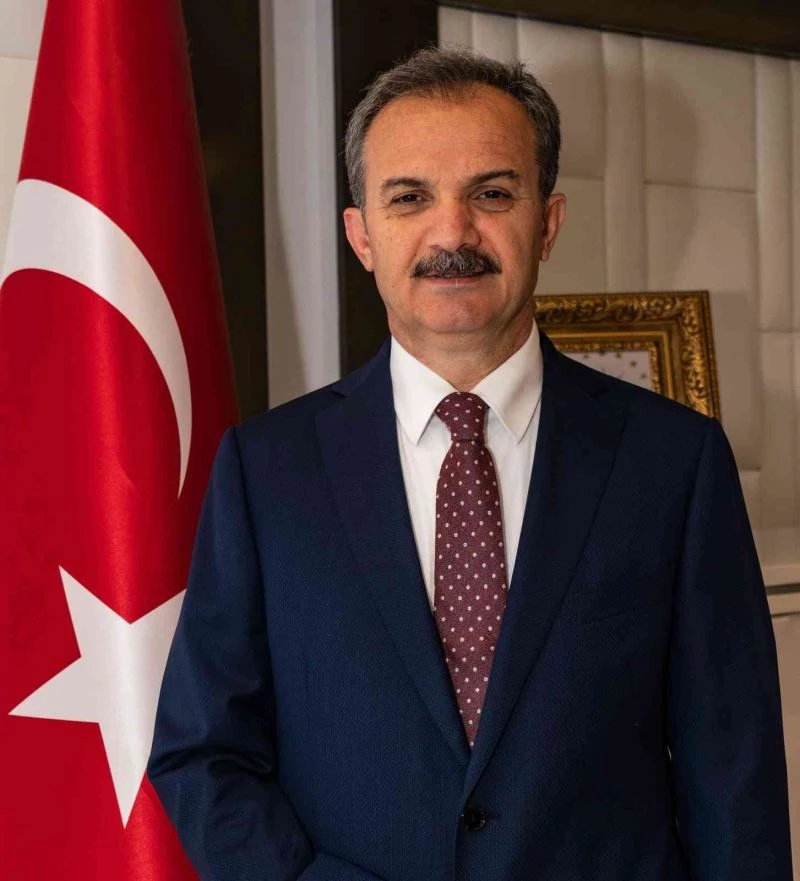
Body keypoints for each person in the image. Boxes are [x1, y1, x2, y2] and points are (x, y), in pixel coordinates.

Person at [148, 47, 792, 880]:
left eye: (491, 194)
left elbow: (734, 777)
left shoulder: (675, 462)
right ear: (362, 235)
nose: (452, 233)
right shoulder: (265, 471)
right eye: (409, 197)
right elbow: (203, 752)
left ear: (547, 223)